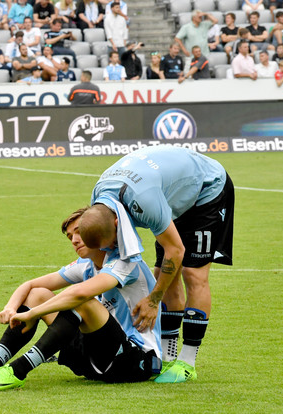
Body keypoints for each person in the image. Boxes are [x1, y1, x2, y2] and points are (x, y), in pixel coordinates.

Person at [0, 208, 161, 390]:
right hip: (93, 359)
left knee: (83, 301)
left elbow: (79, 294)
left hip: (132, 361)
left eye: (79, 231)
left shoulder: (126, 262)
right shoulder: (85, 265)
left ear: (96, 230)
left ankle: (18, 371)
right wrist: (11, 308)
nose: (75, 240)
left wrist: (32, 314)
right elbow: (30, 286)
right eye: (70, 236)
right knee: (38, 294)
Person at [82, 145, 234, 383]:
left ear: (115, 222)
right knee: (164, 274)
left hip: (206, 189)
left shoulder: (145, 203)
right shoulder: (98, 200)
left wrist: (153, 300)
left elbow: (176, 250)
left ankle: (187, 362)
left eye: (111, 242)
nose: (110, 248)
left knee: (192, 274)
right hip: (171, 194)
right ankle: (166, 355)